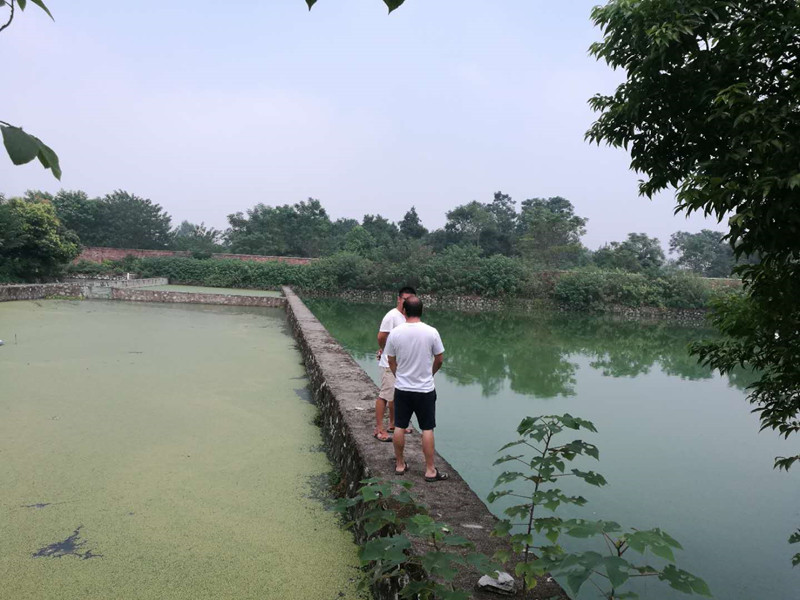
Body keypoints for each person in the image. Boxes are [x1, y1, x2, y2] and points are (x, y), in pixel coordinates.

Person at [385, 296, 448, 481]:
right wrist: (430, 374)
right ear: (422, 311)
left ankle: (400, 465)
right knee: (427, 428)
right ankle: (430, 470)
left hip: (403, 388)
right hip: (425, 389)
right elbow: (440, 359)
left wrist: (399, 376)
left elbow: (390, 360)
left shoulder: (395, 333)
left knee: (399, 425)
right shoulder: (431, 332)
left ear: (404, 311)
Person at [374, 286, 417, 442]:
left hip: (402, 364)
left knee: (396, 396)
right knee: (385, 396)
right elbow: (381, 336)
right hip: (388, 363)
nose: (407, 302)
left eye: (410, 299)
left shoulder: (408, 316)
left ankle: (393, 424)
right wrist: (385, 350)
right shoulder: (392, 316)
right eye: (405, 299)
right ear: (398, 299)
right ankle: (379, 429)